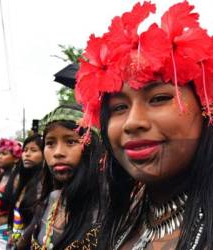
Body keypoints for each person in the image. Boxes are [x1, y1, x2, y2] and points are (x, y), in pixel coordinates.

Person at [75, 1, 213, 249]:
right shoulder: (118, 219)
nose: (133, 122)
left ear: (206, 108)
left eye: (159, 98)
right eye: (118, 108)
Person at [30, 104, 101, 250]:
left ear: (91, 146)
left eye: (70, 141)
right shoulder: (51, 200)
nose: (58, 153)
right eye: (50, 143)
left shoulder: (111, 206)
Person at [6, 134, 44, 249]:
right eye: (25, 150)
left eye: (34, 150)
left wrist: (20, 243)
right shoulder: (23, 181)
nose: (27, 154)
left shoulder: (44, 184)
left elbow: (37, 222)